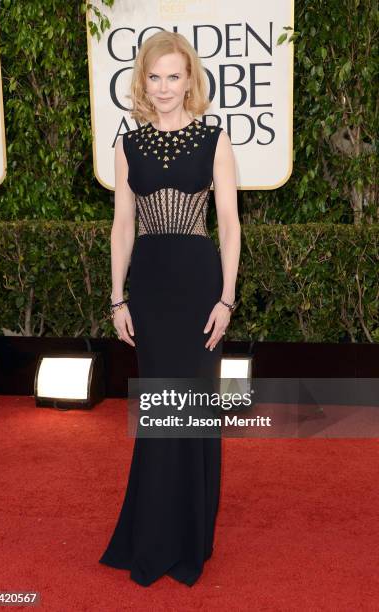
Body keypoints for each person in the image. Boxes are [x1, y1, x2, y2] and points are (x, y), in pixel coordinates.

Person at [99, 31, 241, 587]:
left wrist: (227, 298)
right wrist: (117, 299)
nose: (163, 88)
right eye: (154, 77)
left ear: (190, 80)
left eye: (173, 76)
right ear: (143, 80)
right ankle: (152, 537)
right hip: (152, 288)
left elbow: (229, 225)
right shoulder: (128, 143)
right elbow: (122, 226)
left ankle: (191, 537)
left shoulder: (214, 138)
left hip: (200, 285)